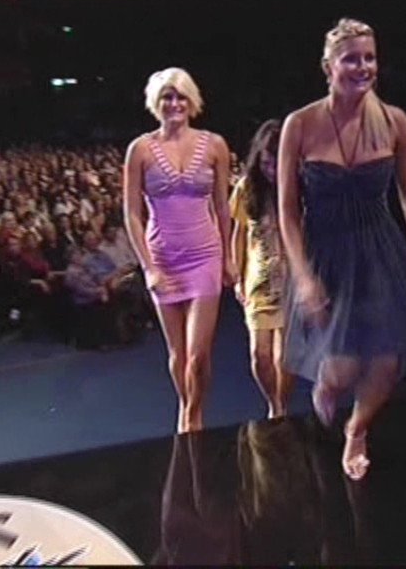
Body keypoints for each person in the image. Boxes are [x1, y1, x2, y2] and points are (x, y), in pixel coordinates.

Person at [277, 18, 406, 480]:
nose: (363, 67)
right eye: (351, 58)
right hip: (326, 253)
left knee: (388, 357)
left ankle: (357, 429)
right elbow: (287, 211)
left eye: (370, 57)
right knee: (340, 369)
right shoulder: (300, 125)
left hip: (380, 251)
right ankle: (329, 392)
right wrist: (303, 276)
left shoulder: (394, 121)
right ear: (328, 67)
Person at [124, 67, 236, 433]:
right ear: (155, 103)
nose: (175, 104)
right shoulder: (140, 150)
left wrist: (229, 257)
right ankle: (188, 412)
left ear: (192, 101)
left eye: (181, 97)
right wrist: (148, 268)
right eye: (167, 97)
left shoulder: (215, 145)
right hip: (163, 259)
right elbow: (132, 214)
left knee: (199, 355)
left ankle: (193, 415)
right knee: (179, 354)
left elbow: (222, 207)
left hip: (205, 255)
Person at [230, 120, 296, 419]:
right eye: (267, 163)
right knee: (260, 354)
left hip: (290, 282)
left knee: (286, 355)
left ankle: (279, 408)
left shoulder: (295, 186)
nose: (271, 170)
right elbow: (239, 234)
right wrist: (237, 275)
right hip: (258, 281)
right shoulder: (247, 188)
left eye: (277, 163)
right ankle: (273, 402)